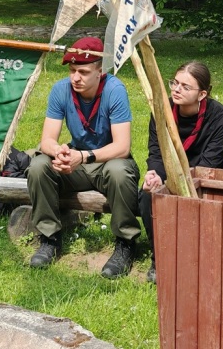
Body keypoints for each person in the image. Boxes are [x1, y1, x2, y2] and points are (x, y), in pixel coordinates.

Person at [27, 36, 141, 278]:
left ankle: (125, 244)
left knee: (119, 171)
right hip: (77, 162)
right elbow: (47, 140)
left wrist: (83, 156)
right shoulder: (61, 90)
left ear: (100, 71)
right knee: (38, 165)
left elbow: (122, 146)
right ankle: (49, 239)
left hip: (107, 162)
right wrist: (59, 152)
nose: (75, 78)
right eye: (72, 70)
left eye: (83, 72)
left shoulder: (114, 90)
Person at [140, 61, 223, 283]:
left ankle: (203, 257)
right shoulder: (160, 110)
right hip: (170, 169)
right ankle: (160, 258)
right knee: (147, 196)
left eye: (185, 86)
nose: (176, 89)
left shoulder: (221, 116)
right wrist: (155, 175)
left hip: (208, 174)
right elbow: (157, 151)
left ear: (202, 94)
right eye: (174, 83)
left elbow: (210, 161)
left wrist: (180, 183)